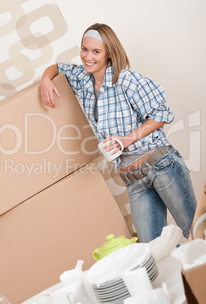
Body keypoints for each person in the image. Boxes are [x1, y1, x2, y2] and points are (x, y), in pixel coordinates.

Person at [40, 23, 196, 243]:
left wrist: (129, 138)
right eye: (84, 49)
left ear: (109, 53)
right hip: (133, 180)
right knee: (153, 249)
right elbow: (57, 67)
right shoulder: (82, 79)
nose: (87, 57)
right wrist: (46, 81)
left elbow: (161, 114)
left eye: (96, 51)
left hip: (161, 166)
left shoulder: (125, 80)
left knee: (195, 230)